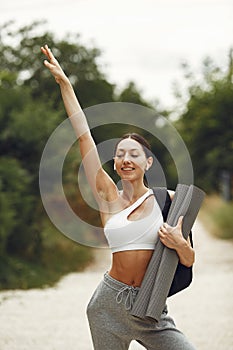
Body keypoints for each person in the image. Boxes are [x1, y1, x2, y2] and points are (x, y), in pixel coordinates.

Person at [41, 45, 196, 350]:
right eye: (119, 154)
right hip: (108, 304)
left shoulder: (170, 200)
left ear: (148, 162)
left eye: (134, 154)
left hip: (151, 309)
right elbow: (85, 136)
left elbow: (189, 261)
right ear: (114, 163)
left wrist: (180, 244)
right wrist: (66, 85)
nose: (126, 159)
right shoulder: (107, 195)